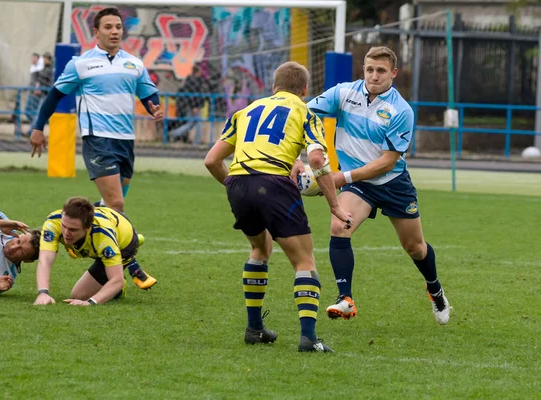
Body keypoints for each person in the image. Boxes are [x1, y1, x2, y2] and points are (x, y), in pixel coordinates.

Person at [204, 62, 353, 352]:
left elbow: (211, 160)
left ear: (274, 87)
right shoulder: (304, 111)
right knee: (304, 261)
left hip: (238, 182)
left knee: (260, 249)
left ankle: (255, 328)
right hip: (274, 184)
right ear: (305, 90)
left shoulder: (245, 111)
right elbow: (319, 162)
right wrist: (334, 206)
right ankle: (308, 338)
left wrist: (235, 188)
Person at [300, 46, 451, 324]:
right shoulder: (343, 93)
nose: (374, 75)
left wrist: (341, 177)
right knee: (338, 226)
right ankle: (345, 298)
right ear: (363, 70)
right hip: (361, 186)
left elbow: (386, 163)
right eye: (370, 69)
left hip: (392, 184)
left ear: (393, 73)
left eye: (381, 70)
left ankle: (435, 288)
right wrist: (306, 153)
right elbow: (302, 113)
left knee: (415, 247)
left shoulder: (401, 110)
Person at [29, 7, 164, 213]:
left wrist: (154, 108)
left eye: (118, 27)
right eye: (108, 27)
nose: (115, 32)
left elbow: (148, 96)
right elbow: (54, 96)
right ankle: (120, 245)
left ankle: (70, 224)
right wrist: (38, 128)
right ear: (96, 32)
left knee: (107, 206)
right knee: (116, 204)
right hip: (97, 139)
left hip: (125, 139)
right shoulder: (80, 64)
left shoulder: (134, 64)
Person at [33, 196, 156, 306]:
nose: (66, 233)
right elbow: (45, 260)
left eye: (73, 230)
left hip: (124, 243)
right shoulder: (53, 222)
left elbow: (117, 280)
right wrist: (43, 293)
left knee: (79, 295)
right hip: (109, 223)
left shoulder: (103, 236)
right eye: (64, 226)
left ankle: (126, 263)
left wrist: (90, 302)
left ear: (87, 227)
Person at [170, 64, 208, 144]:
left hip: (190, 106)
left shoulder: (189, 80)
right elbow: (195, 94)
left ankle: (174, 133)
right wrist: (195, 106)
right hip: (194, 107)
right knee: (198, 124)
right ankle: (196, 143)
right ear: (197, 71)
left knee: (191, 123)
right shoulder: (195, 81)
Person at [24, 52, 54, 137]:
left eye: (45, 59)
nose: (44, 60)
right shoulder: (41, 68)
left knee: (39, 113)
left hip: (45, 94)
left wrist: (39, 85)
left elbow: (48, 81)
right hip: (37, 93)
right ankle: (35, 127)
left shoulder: (49, 70)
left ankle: (32, 130)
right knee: (28, 111)